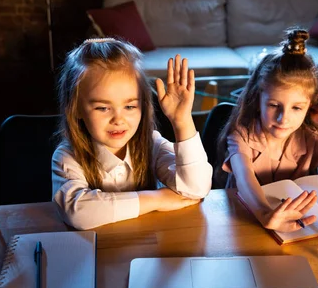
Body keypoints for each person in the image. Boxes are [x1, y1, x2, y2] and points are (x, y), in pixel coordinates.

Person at [217, 29, 318, 233]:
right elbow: (244, 177)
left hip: (295, 227)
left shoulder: (309, 139)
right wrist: (265, 215)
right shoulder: (242, 135)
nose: (283, 118)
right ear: (257, 98)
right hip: (245, 222)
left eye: (297, 108)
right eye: (273, 105)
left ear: (309, 107)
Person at [52, 38, 212, 230]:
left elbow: (196, 189)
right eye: (103, 108)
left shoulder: (152, 144)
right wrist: (158, 199)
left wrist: (182, 121)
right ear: (76, 108)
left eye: (129, 106)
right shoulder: (68, 156)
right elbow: (77, 212)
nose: (118, 119)